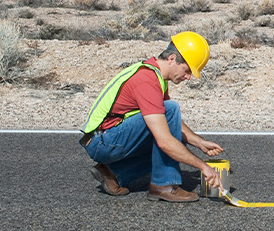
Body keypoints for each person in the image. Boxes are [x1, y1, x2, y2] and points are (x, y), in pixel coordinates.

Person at [80, 31, 224, 202]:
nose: (188, 77)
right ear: (172, 58)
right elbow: (165, 138)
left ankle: (112, 173)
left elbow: (168, 122)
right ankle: (164, 185)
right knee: (170, 116)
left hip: (105, 139)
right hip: (102, 142)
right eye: (187, 70)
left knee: (173, 128)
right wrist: (204, 167)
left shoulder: (155, 75)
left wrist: (199, 142)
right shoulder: (146, 80)